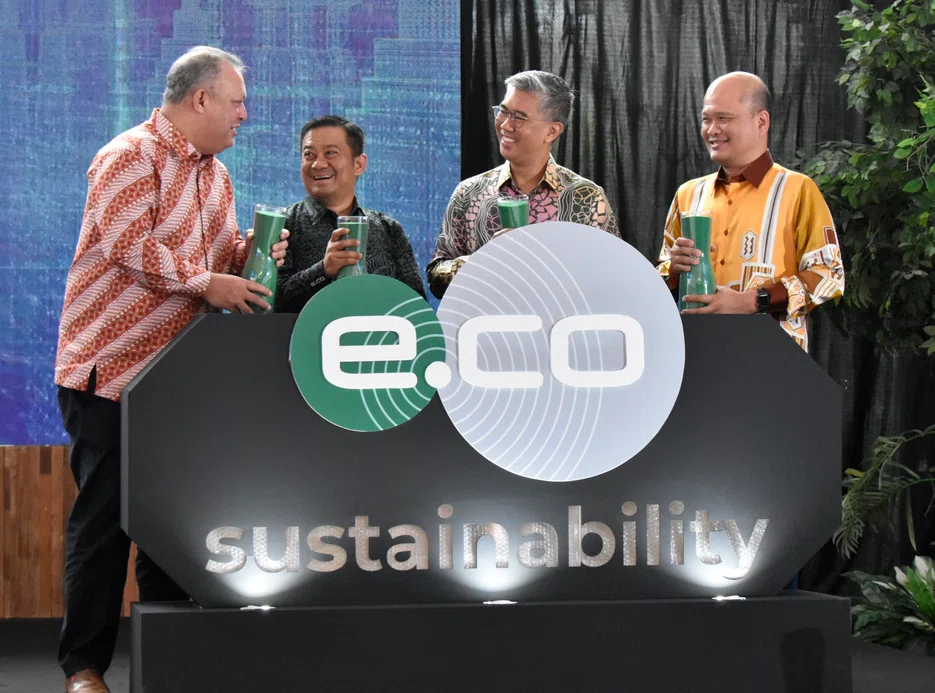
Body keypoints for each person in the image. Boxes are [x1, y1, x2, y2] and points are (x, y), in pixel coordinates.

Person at [54, 46, 288, 693]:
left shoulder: (218, 178)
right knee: (104, 525)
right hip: (110, 371)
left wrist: (250, 253)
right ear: (200, 99)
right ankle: (84, 667)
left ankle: (168, 660)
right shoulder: (128, 155)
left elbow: (217, 259)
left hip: (180, 384)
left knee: (172, 527)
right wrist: (206, 280)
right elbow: (128, 247)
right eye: (237, 100)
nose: (246, 113)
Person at [657, 71, 844, 351]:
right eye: (706, 119)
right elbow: (661, 277)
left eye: (724, 118)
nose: (712, 129)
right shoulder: (689, 194)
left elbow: (829, 275)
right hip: (694, 356)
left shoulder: (797, 190)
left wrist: (753, 301)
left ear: (761, 121)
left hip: (772, 363)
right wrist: (673, 270)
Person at [427, 70, 620, 299]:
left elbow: (613, 281)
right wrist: (481, 261)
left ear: (552, 131)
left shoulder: (586, 198)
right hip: (482, 331)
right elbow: (435, 280)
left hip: (561, 332)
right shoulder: (469, 193)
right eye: (503, 112)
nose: (506, 125)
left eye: (519, 117)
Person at [276, 115, 425, 312]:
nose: (318, 164)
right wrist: (323, 270)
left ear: (359, 164)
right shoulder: (282, 226)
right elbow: (266, 304)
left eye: (330, 153)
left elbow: (416, 306)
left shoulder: (389, 229)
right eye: (309, 155)